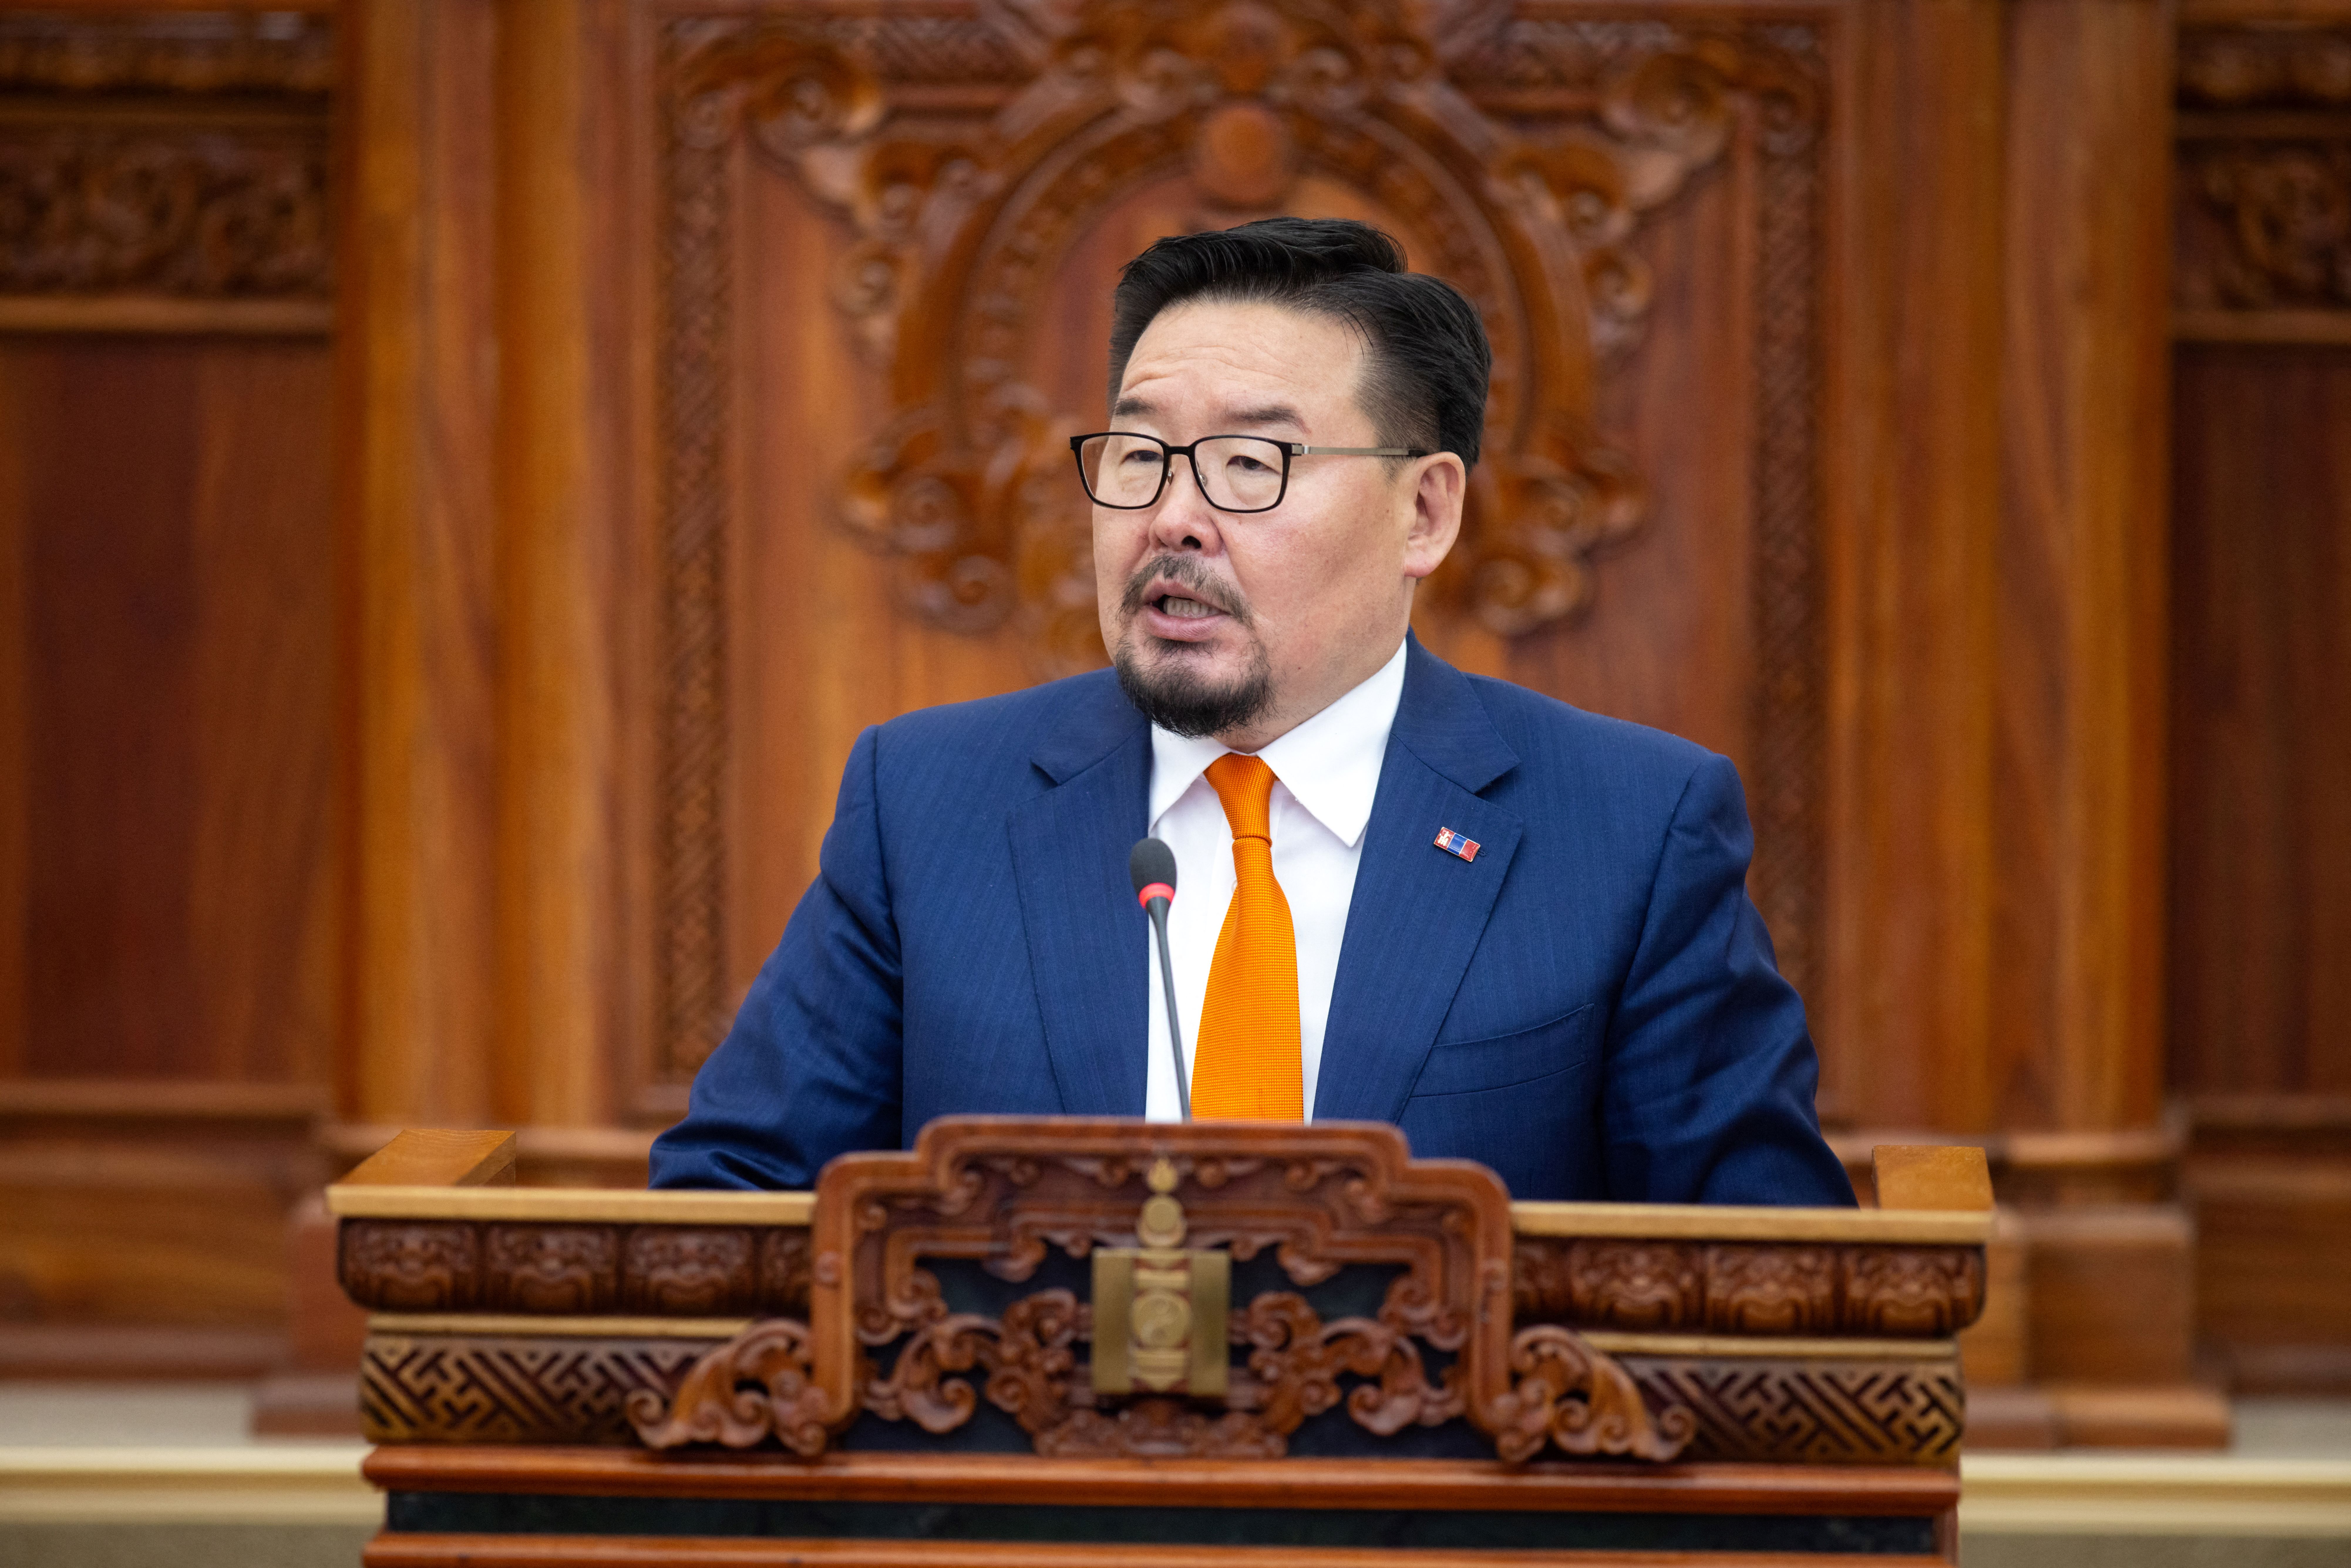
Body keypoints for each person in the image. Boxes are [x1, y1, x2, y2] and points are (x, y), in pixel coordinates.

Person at [650, 217, 1852, 1205]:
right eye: (1139, 455)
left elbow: (1758, 1271)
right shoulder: (926, 803)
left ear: (1425, 514)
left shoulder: (1630, 831)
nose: (1173, 516)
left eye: (1250, 463)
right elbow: (729, 1195)